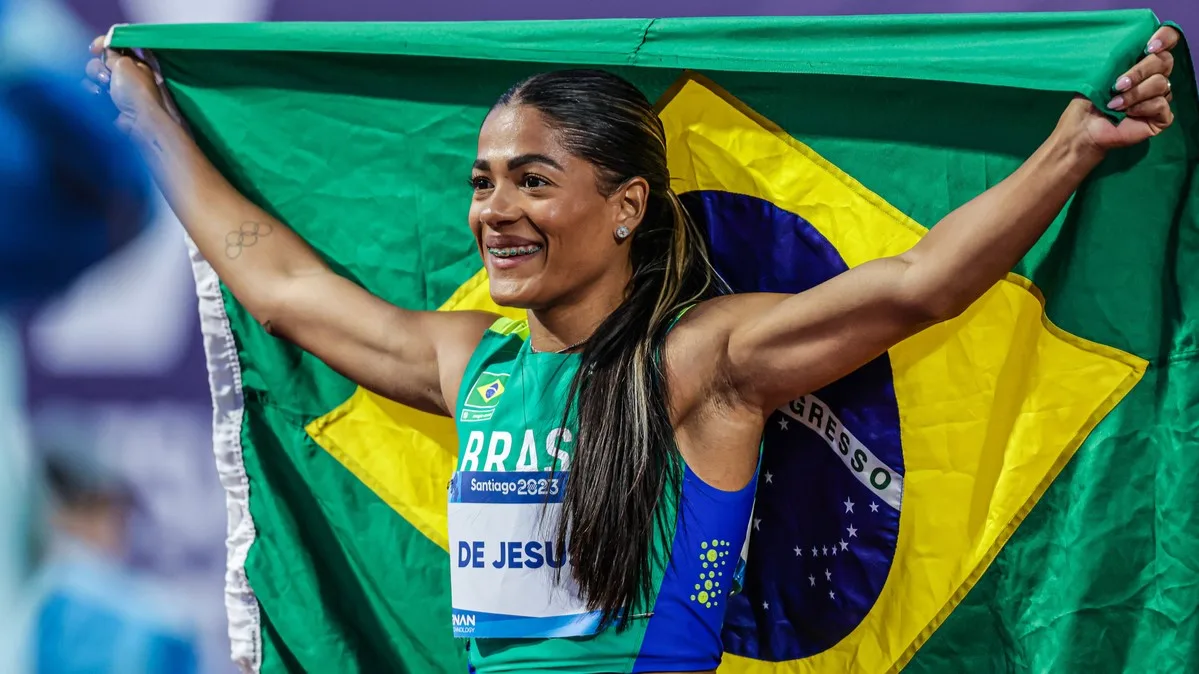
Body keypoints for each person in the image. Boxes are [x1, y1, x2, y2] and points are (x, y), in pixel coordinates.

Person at [86, 25, 1181, 674]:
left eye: (531, 179)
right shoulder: (472, 367)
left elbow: (918, 285)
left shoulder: (700, 359)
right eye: (481, 179)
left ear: (624, 206)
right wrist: (143, 118)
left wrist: (1069, 154)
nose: (493, 211)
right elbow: (279, 288)